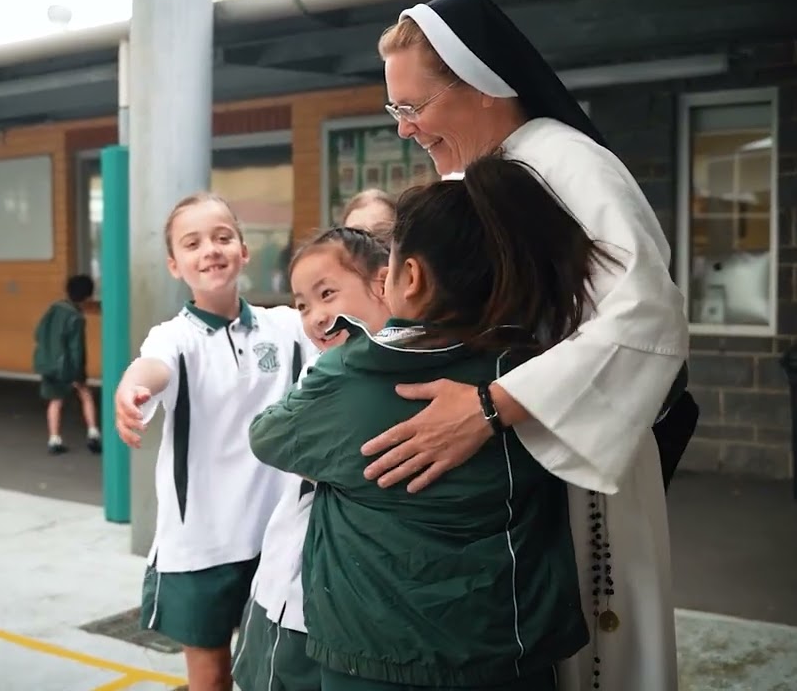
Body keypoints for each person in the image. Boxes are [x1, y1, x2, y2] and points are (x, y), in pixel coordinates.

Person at [367, 0, 695, 691]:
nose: (404, 128)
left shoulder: (567, 161)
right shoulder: (471, 177)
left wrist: (496, 404)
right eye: (395, 109)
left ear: (483, 84)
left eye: (413, 107)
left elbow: (647, 313)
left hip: (571, 460)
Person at [250, 156, 609, 691]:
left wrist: (338, 359)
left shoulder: (352, 376)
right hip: (511, 653)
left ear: (407, 277)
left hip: (375, 660)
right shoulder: (535, 375)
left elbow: (269, 436)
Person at [114, 192, 316, 691]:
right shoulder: (174, 337)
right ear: (174, 264)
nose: (211, 249)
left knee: (272, 674)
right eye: (193, 242)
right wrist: (129, 387)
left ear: (244, 251)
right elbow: (151, 368)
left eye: (223, 237)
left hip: (277, 538)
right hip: (201, 543)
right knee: (210, 676)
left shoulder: (287, 326)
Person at [232, 226, 394, 691]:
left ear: (386, 284)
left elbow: (272, 438)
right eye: (304, 304)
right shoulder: (320, 368)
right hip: (283, 591)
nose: (316, 317)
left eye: (328, 294)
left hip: (324, 608)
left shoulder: (364, 374)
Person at [33, 274, 100, 456]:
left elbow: (38, 332)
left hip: (48, 364)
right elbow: (76, 348)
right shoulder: (76, 317)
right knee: (85, 394)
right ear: (87, 296)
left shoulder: (53, 309)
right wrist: (78, 371)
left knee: (55, 401)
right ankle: (93, 433)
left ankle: (54, 439)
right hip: (68, 367)